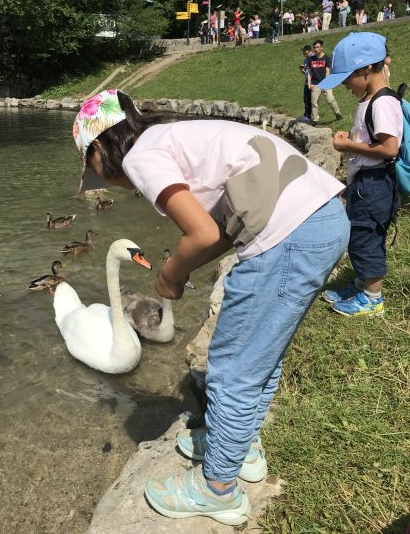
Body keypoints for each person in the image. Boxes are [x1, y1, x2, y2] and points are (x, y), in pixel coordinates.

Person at [72, 88, 349, 526]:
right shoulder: (175, 138)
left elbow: (200, 235)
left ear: (101, 147)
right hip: (323, 219)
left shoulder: (139, 158)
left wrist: (169, 276)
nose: (103, 180)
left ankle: (217, 488)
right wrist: (180, 268)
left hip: (287, 238)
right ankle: (241, 449)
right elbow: (219, 232)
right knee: (261, 356)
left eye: (92, 166)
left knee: (232, 369)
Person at [320, 33, 402, 316]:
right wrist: (351, 139)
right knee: (357, 235)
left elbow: (390, 147)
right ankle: (361, 283)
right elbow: (370, 139)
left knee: (367, 238)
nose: (344, 85)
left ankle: (372, 299)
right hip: (365, 183)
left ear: (366, 68)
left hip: (375, 184)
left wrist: (347, 145)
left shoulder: (382, 102)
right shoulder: (370, 100)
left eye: (347, 78)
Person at [308, 39, 342, 126]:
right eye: (314, 47)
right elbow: (309, 72)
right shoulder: (311, 59)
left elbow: (327, 71)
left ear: (322, 48)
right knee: (314, 102)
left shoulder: (326, 58)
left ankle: (337, 113)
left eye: (318, 47)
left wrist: (326, 83)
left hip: (325, 83)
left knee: (330, 100)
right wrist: (309, 83)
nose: (316, 49)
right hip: (315, 84)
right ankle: (315, 120)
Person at [300, 45, 313, 122]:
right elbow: (305, 72)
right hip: (306, 83)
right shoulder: (305, 60)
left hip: (313, 82)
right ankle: (307, 115)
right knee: (306, 100)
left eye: (305, 51)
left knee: (313, 100)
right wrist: (301, 69)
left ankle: (314, 117)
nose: (303, 53)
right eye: (303, 51)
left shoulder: (314, 58)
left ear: (309, 50)